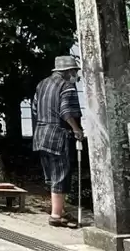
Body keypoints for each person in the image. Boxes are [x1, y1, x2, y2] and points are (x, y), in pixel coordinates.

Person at [33, 55, 84, 228]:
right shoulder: (66, 86)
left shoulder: (42, 84)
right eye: (74, 71)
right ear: (68, 71)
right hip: (58, 135)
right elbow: (66, 111)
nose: (75, 74)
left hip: (41, 134)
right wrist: (76, 129)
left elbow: (34, 108)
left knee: (51, 175)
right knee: (61, 174)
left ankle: (59, 210)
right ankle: (56, 215)